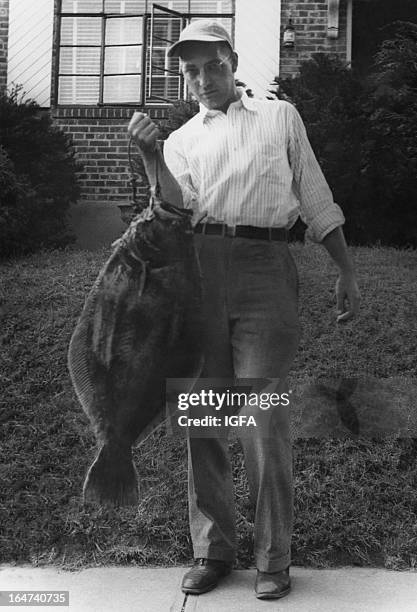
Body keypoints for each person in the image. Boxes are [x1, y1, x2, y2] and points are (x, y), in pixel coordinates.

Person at [128, 20, 360, 600]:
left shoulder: (280, 116)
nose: (203, 80)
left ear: (232, 62)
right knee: (204, 416)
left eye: (212, 66)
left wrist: (345, 269)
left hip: (266, 269)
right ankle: (212, 550)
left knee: (262, 416)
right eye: (191, 72)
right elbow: (172, 211)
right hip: (199, 274)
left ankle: (273, 559)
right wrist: (152, 156)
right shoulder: (182, 140)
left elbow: (313, 191)